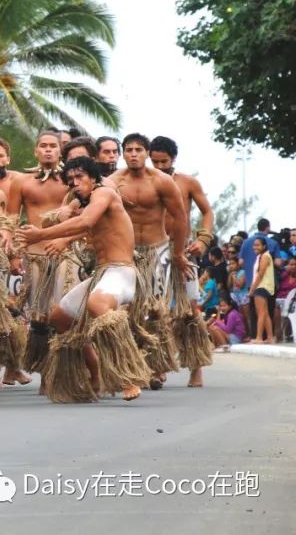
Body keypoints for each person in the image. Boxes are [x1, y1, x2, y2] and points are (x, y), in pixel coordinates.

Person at [17, 157, 150, 402]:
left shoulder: (105, 194)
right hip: (102, 274)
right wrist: (64, 239)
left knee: (97, 306)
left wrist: (41, 235)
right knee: (60, 318)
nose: (75, 183)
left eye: (80, 178)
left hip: (122, 272)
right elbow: (89, 226)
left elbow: (86, 221)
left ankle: (128, 377)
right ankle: (95, 370)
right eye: (71, 180)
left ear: (93, 177)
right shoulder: (86, 201)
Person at [110, 133, 190, 388]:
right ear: (123, 154)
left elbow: (180, 218)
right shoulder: (113, 182)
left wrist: (178, 253)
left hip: (158, 251)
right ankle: (135, 364)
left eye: (139, 149)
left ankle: (156, 365)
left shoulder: (162, 181)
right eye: (129, 149)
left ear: (146, 153)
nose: (133, 154)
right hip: (126, 251)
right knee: (129, 309)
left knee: (156, 309)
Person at [147, 135, 214, 386]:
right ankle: (156, 366)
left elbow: (207, 211)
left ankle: (196, 366)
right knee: (154, 311)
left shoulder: (187, 182)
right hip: (153, 252)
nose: (159, 166)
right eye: (154, 162)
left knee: (189, 311)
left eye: (163, 161)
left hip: (183, 252)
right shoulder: (142, 182)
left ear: (173, 159)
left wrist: (203, 239)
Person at [6, 131, 70, 377]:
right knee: (40, 318)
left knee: (62, 312)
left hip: (65, 254)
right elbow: (11, 220)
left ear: (59, 151)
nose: (47, 150)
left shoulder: (70, 180)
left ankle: (66, 369)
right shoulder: (22, 182)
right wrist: (13, 255)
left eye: (53, 146)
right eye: (43, 146)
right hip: (34, 257)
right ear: (35, 151)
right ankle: (45, 370)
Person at [239, 219, 281, 296]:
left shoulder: (245, 242)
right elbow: (278, 263)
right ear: (268, 228)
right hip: (267, 285)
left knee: (254, 307)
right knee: (268, 307)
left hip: (250, 282)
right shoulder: (273, 242)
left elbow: (240, 262)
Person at [249, 236, 276, 343]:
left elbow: (260, 274)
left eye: (257, 245)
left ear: (264, 246)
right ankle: (270, 337)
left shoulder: (265, 256)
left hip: (262, 286)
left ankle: (259, 337)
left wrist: (252, 289)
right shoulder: (261, 256)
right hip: (262, 286)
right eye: (254, 245)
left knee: (260, 313)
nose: (255, 247)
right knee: (265, 313)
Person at [275, 257, 296, 342]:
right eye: (291, 264)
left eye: (295, 264)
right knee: (277, 306)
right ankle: (278, 334)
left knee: (287, 307)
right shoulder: (284, 275)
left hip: (293, 300)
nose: (293, 266)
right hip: (281, 299)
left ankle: (286, 333)